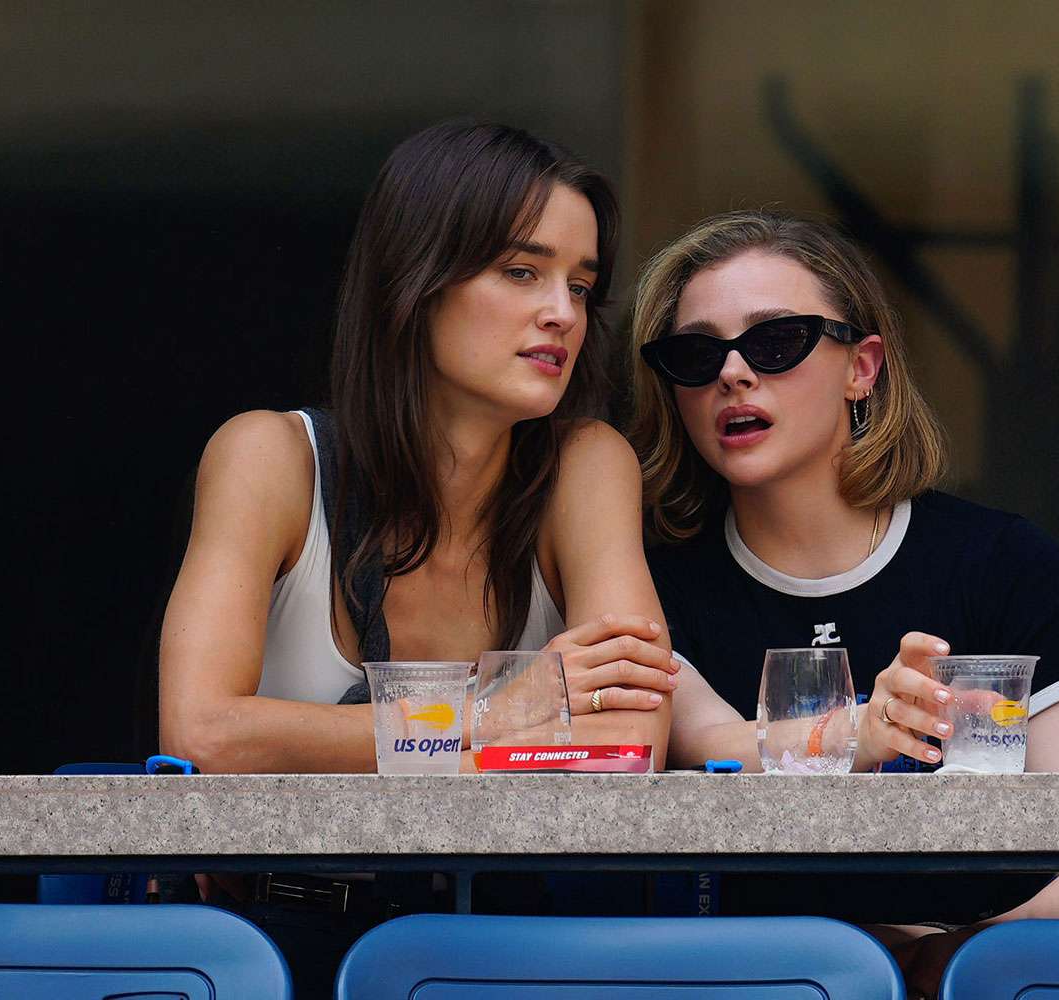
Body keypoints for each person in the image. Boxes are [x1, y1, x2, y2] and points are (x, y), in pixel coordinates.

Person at [156, 121, 675, 994]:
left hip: (514, 947)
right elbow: (202, 731)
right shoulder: (271, 458)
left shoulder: (588, 465)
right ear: (416, 279)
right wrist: (496, 719)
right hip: (279, 943)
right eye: (521, 271)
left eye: (582, 287)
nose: (562, 313)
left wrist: (323, 744)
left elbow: (628, 744)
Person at [626, 210, 1059, 997]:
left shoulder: (1004, 564)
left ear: (862, 367)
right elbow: (706, 743)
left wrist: (941, 965)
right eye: (696, 355)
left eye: (776, 342)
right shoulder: (658, 586)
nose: (732, 374)